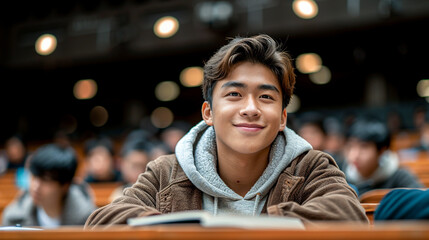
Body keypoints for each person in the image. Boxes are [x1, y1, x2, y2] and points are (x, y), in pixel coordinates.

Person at [84, 34, 368, 228]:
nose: (250, 108)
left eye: (266, 97)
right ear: (208, 112)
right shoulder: (165, 172)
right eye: (234, 94)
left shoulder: (310, 166)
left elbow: (349, 214)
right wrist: (190, 229)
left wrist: (249, 227)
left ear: (282, 118)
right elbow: (103, 221)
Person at [2, 143, 96, 227]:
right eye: (34, 176)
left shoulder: (88, 221)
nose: (36, 186)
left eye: (45, 180)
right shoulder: (13, 219)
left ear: (65, 185)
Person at [343, 117, 424, 196]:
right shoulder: (342, 178)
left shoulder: (399, 177)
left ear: (382, 150)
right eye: (351, 146)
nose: (354, 155)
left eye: (364, 147)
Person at [109, 134, 152, 201]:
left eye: (143, 166)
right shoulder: (118, 194)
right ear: (122, 164)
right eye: (134, 166)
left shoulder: (154, 194)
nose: (139, 171)